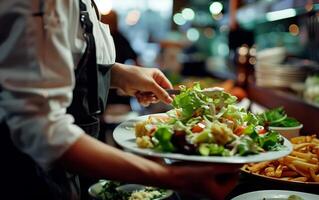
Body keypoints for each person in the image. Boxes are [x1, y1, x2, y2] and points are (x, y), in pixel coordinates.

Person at [0, 1, 239, 200]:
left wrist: (120, 75)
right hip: (35, 181)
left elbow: (66, 61)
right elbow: (42, 130)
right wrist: (172, 177)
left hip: (75, 173)